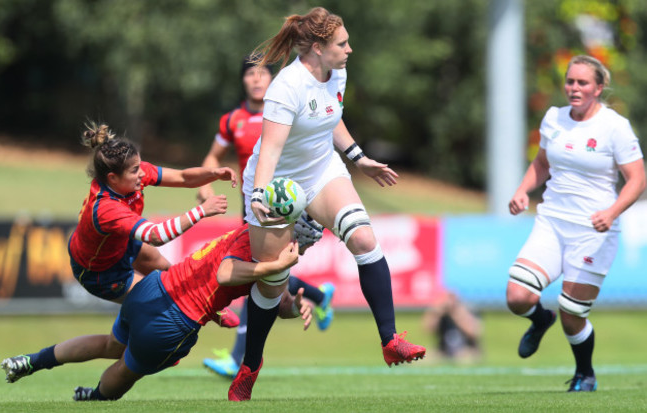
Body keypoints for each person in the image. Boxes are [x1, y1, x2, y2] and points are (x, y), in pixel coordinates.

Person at [230, 6, 426, 401]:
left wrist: (359, 158)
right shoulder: (286, 87)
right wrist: (258, 196)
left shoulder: (336, 71)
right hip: (275, 185)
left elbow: (330, 116)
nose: (350, 49)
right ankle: (250, 366)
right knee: (271, 286)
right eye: (342, 43)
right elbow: (268, 152)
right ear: (318, 48)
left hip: (322, 170)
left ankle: (390, 341)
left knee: (366, 242)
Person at [1, 214, 319, 402]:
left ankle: (31, 361)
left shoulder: (248, 230)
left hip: (152, 289)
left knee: (109, 344)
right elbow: (231, 276)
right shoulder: (272, 262)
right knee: (126, 369)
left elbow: (269, 296)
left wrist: (292, 305)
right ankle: (94, 398)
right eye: (302, 247)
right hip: (173, 322)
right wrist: (282, 288)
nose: (300, 254)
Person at [506, 55, 645, 392]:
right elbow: (541, 163)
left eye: (583, 82)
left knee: (572, 313)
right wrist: (523, 190)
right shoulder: (553, 118)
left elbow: (637, 179)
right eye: (570, 81)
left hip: (594, 232)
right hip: (552, 222)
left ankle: (585, 373)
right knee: (517, 297)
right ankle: (541, 319)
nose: (574, 88)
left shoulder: (614, 126)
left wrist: (611, 213)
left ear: (599, 87)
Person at [198, 56, 336, 378]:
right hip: (252, 206)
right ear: (243, 80)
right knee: (263, 272)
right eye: (250, 74)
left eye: (264, 74)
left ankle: (239, 360)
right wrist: (205, 185)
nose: (257, 79)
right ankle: (318, 295)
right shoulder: (232, 120)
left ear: (274, 80)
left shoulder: (286, 109)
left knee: (259, 275)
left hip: (286, 205)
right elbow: (212, 157)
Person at [68, 121, 236, 306]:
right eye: (135, 170)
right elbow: (156, 235)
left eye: (140, 166)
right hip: (101, 273)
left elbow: (183, 177)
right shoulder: (106, 208)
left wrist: (213, 173)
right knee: (161, 304)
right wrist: (202, 211)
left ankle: (211, 310)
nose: (142, 173)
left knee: (172, 277)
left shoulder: (130, 175)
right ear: (113, 178)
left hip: (121, 244)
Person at [422, 291, 482, 363]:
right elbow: (428, 329)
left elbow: (473, 333)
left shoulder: (468, 310)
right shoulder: (442, 314)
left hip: (466, 349)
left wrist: (456, 313)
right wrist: (437, 312)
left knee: (464, 360)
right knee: (422, 358)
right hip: (444, 350)